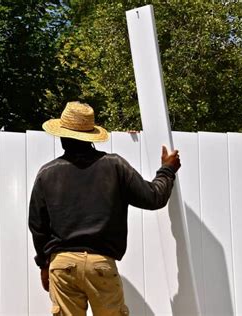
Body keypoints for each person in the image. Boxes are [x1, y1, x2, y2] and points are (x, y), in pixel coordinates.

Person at [28, 101, 180, 316]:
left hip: (62, 265)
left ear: (62, 136)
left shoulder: (47, 173)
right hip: (100, 263)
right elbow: (154, 198)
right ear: (90, 136)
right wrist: (167, 170)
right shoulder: (114, 166)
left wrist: (44, 265)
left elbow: (37, 226)